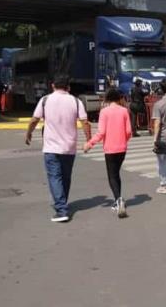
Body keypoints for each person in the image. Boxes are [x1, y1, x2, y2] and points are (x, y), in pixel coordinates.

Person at [25, 75, 91, 223]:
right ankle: (62, 203)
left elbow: (35, 119)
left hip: (51, 147)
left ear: (53, 86)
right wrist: (89, 139)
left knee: (55, 177)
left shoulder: (45, 100)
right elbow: (85, 122)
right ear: (69, 87)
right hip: (69, 147)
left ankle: (61, 210)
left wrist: (28, 133)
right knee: (65, 177)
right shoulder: (76, 101)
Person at [86, 88, 132, 218]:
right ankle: (118, 200)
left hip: (110, 149)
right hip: (122, 148)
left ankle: (118, 200)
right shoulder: (124, 111)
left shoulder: (104, 112)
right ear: (118, 98)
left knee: (112, 176)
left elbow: (101, 132)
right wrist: (124, 140)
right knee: (116, 174)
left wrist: (89, 144)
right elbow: (129, 132)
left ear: (107, 99)